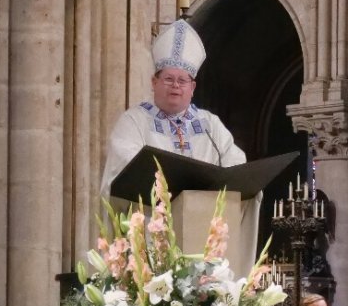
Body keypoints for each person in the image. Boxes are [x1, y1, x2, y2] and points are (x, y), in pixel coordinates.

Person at [100, 19, 248, 197]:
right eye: (168, 79)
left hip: (202, 220)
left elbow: (237, 167)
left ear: (192, 88)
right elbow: (126, 169)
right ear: (154, 83)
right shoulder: (134, 122)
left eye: (182, 80)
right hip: (152, 219)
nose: (175, 86)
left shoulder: (210, 124)